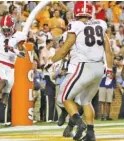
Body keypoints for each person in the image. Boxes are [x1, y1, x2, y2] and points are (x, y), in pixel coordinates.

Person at [45, 2, 113, 141]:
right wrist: (110, 68)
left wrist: (51, 60)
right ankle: (90, 132)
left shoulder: (76, 25)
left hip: (84, 67)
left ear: (76, 12)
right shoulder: (100, 24)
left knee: (64, 97)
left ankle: (77, 122)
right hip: (99, 68)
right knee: (86, 100)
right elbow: (108, 50)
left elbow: (65, 48)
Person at [0, 15, 27, 133]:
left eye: (8, 29)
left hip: (11, 66)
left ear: (13, 27)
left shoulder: (19, 36)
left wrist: (14, 50)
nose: (5, 32)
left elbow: (23, 54)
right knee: (3, 81)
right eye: (4, 29)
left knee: (6, 94)